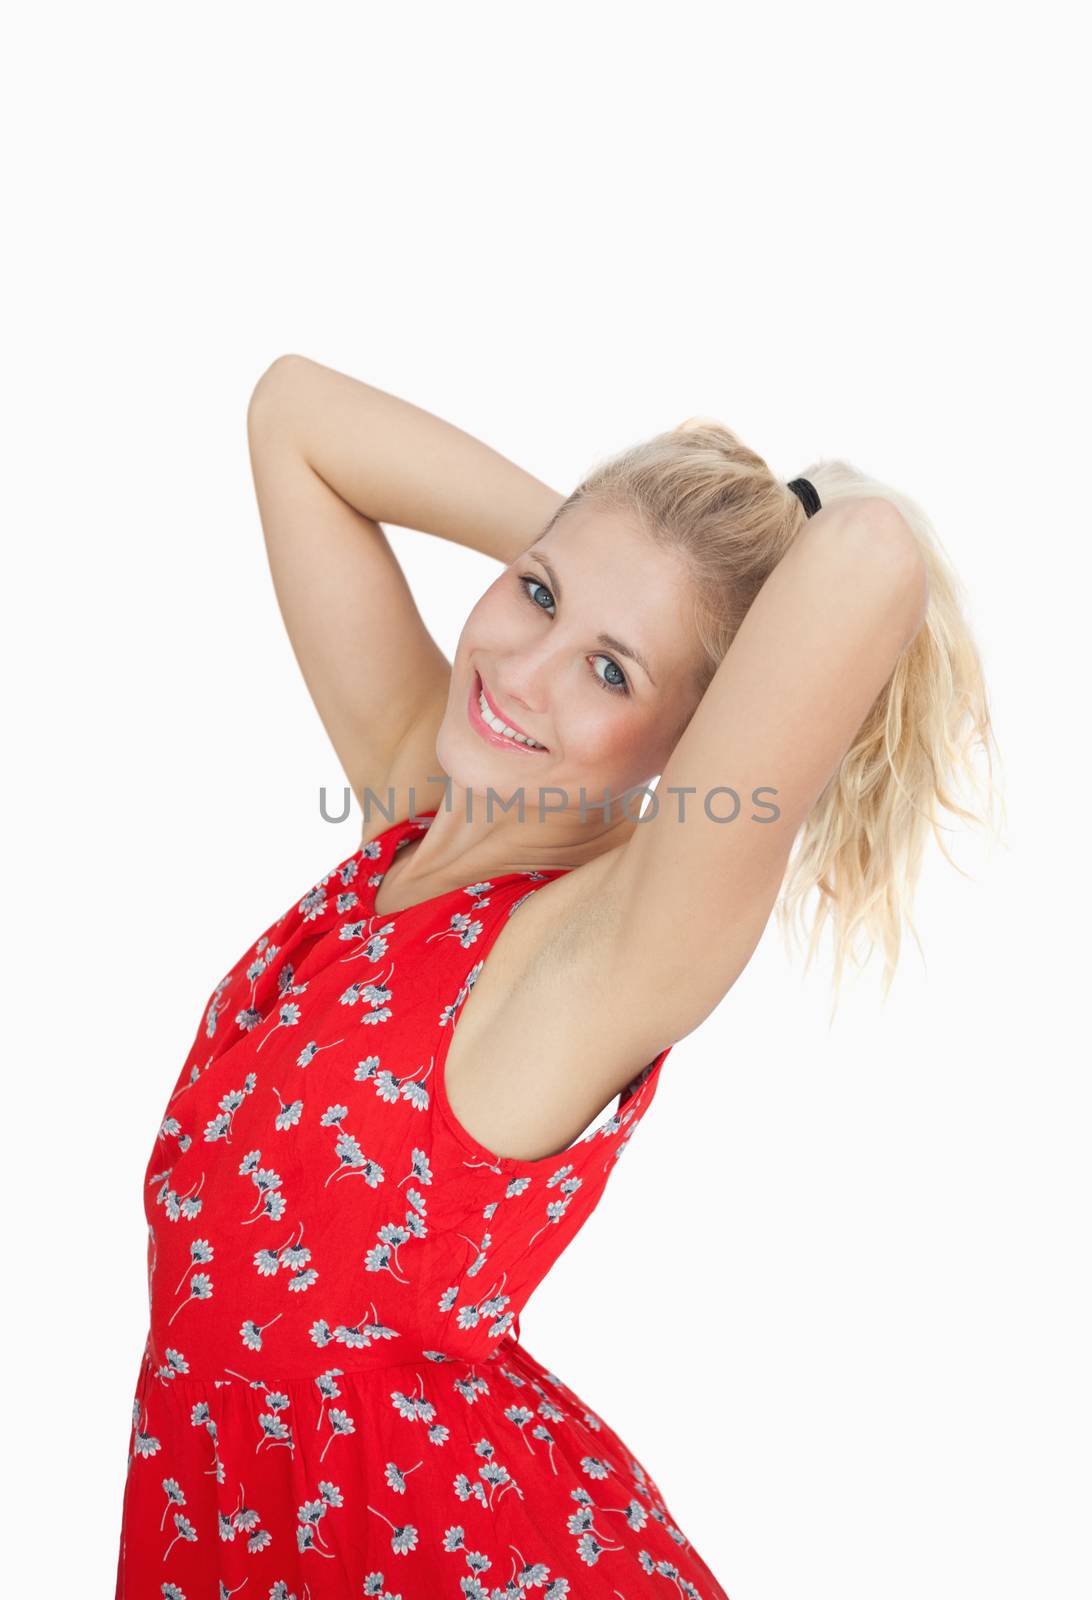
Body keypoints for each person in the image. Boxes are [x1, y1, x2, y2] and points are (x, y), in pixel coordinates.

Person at [113, 355, 1000, 1599]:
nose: (523, 672)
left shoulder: (604, 951)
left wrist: (677, 590)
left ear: (694, 746)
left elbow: (866, 553)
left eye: (611, 671)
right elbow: (294, 413)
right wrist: (601, 544)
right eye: (535, 594)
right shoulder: (417, 808)